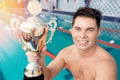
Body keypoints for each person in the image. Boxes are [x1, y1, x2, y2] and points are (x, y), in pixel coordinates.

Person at [25, 7, 117, 80]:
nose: (82, 35)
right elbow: (48, 76)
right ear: (72, 30)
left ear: (98, 32)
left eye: (90, 30)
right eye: (78, 29)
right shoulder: (67, 53)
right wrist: (41, 59)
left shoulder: (105, 65)